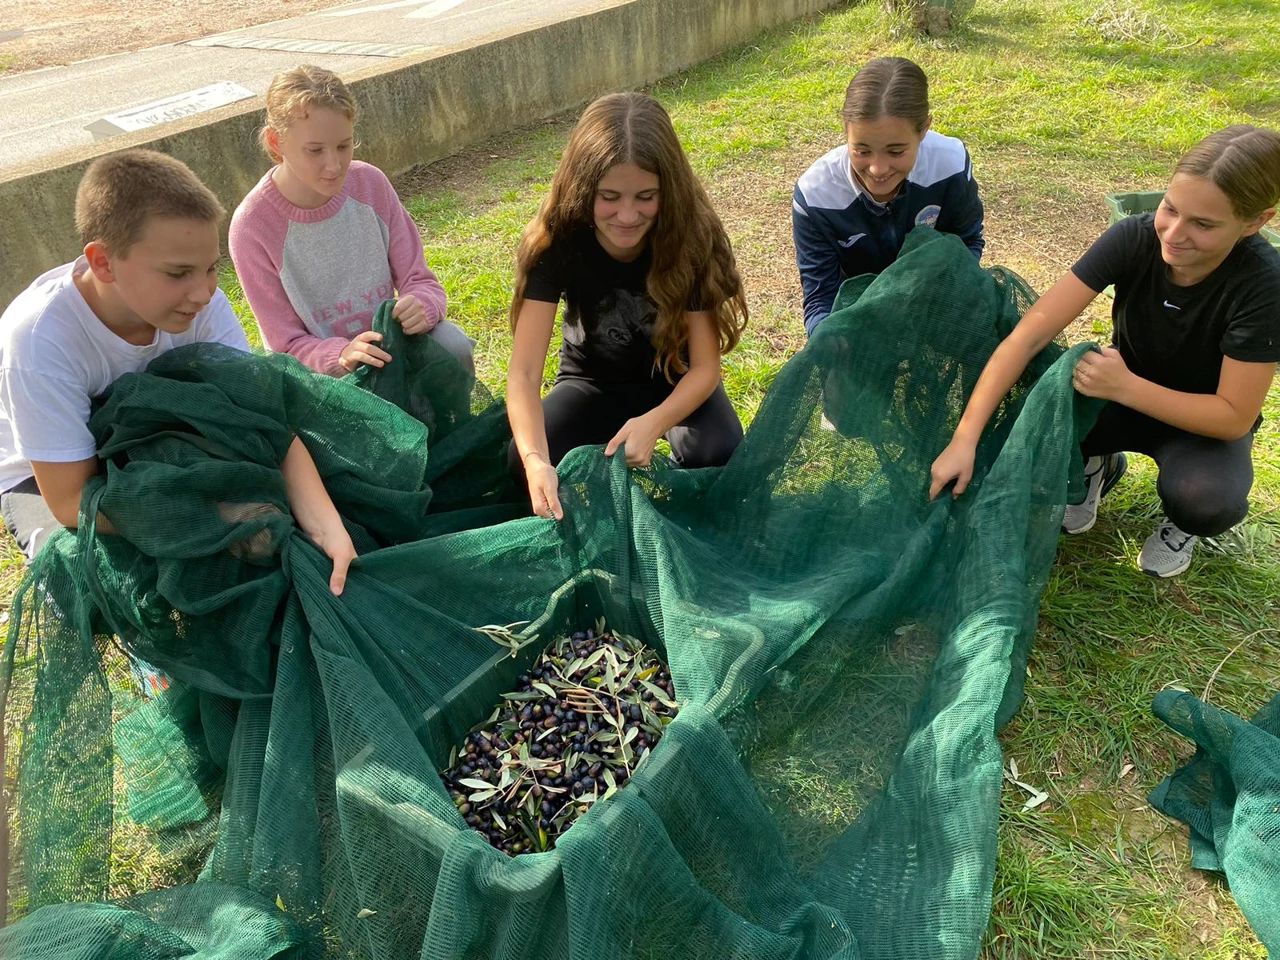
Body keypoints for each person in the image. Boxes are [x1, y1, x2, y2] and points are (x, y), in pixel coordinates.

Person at [0, 149, 356, 596]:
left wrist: (325, 525)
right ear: (103, 262)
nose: (203, 292)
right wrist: (217, 517)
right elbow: (73, 501)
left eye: (210, 268)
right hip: (50, 475)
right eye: (178, 273)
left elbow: (263, 425)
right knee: (83, 576)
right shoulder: (38, 337)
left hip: (167, 438)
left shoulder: (203, 306)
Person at [930, 125, 1280, 578]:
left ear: (1255, 222)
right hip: (1113, 397)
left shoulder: (1264, 285)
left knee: (1207, 502)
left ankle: (1179, 527)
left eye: (1204, 224)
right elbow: (1028, 337)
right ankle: (1095, 465)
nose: (1174, 233)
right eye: (1171, 208)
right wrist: (964, 440)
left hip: (1201, 424)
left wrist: (1127, 386)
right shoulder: (1135, 238)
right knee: (1026, 428)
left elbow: (1233, 415)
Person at [506, 92, 749, 520]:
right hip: (591, 381)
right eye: (610, 196)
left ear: (668, 190)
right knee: (517, 460)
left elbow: (706, 369)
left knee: (718, 453)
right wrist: (535, 461)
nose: (627, 215)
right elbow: (524, 374)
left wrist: (655, 421)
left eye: (645, 197)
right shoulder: (556, 240)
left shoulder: (692, 237)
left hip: (676, 380)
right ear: (583, 188)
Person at [229, 65, 474, 377]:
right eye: (314, 150)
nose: (334, 165)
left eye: (344, 146)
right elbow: (286, 345)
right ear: (276, 142)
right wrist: (342, 354)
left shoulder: (370, 184)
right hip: (325, 376)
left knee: (453, 345)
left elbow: (421, 280)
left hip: (394, 346)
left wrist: (422, 304)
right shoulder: (252, 225)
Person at [793, 56, 985, 335]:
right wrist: (832, 343)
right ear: (845, 131)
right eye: (862, 150)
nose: (877, 169)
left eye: (896, 152)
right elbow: (821, 297)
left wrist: (938, 303)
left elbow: (967, 242)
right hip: (856, 318)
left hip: (931, 302)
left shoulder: (951, 165)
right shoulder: (816, 195)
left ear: (925, 129)